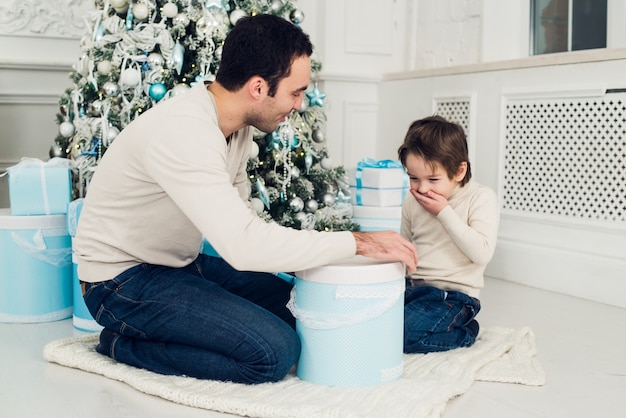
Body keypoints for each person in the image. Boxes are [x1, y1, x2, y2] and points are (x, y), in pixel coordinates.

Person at [74, 14, 417, 384]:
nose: (299, 104)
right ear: (257, 87)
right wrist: (358, 243)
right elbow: (244, 248)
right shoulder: (185, 133)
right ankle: (120, 344)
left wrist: (315, 264)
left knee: (301, 309)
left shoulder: (235, 130)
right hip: (120, 282)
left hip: (177, 265)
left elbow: (243, 227)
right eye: (295, 92)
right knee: (272, 354)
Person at [397, 115, 500, 354]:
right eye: (413, 178)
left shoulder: (480, 197)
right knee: (376, 325)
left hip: (455, 296)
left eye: (433, 179)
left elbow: (482, 254)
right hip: (415, 289)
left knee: (405, 335)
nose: (422, 188)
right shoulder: (412, 201)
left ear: (459, 171)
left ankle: (466, 332)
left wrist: (444, 211)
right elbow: (405, 247)